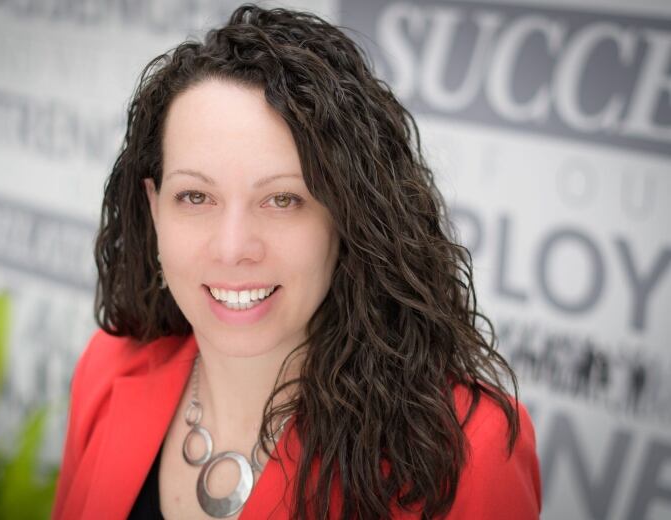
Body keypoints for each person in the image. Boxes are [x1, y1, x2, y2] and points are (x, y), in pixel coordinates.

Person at [53, 4, 541, 519]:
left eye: (283, 199)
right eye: (195, 197)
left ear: (348, 215)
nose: (233, 247)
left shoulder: (471, 451)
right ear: (155, 209)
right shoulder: (108, 369)